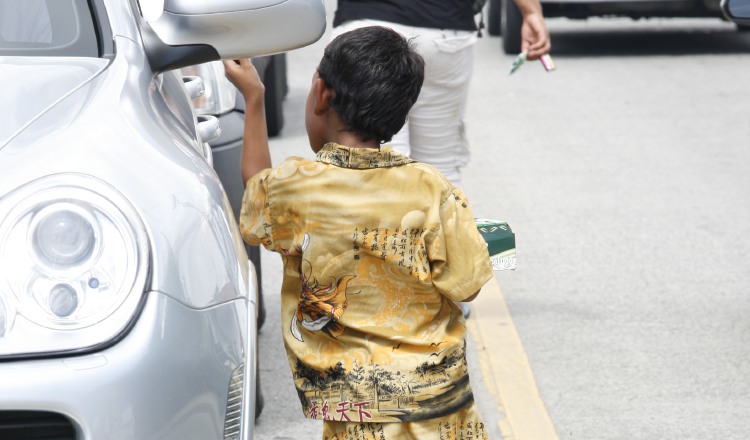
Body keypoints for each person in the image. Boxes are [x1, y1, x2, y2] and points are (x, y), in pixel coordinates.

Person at [224, 26, 494, 439]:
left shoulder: (293, 188)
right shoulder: (430, 187)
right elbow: (467, 286)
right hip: (439, 405)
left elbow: (255, 185)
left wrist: (254, 98)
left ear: (322, 94)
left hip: (356, 412)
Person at [332, 0, 550, 319]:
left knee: (376, 166)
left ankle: (379, 294)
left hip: (365, 26)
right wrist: (531, 12)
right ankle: (448, 293)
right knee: (441, 170)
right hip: (443, 28)